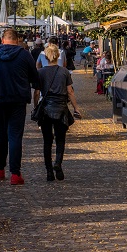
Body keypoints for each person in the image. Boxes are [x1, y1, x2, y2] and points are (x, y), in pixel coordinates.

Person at [0, 28, 37, 185]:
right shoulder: (24, 54)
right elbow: (34, 76)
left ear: (3, 40)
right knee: (15, 135)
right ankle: (15, 174)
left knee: (0, 134)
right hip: (17, 99)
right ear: (17, 40)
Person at [32, 44, 81, 181]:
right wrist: (76, 108)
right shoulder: (64, 71)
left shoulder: (40, 73)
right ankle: (58, 163)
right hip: (61, 108)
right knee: (60, 140)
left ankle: (49, 172)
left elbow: (36, 93)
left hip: (46, 108)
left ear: (45, 56)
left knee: (47, 141)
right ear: (58, 56)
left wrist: (36, 106)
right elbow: (70, 91)